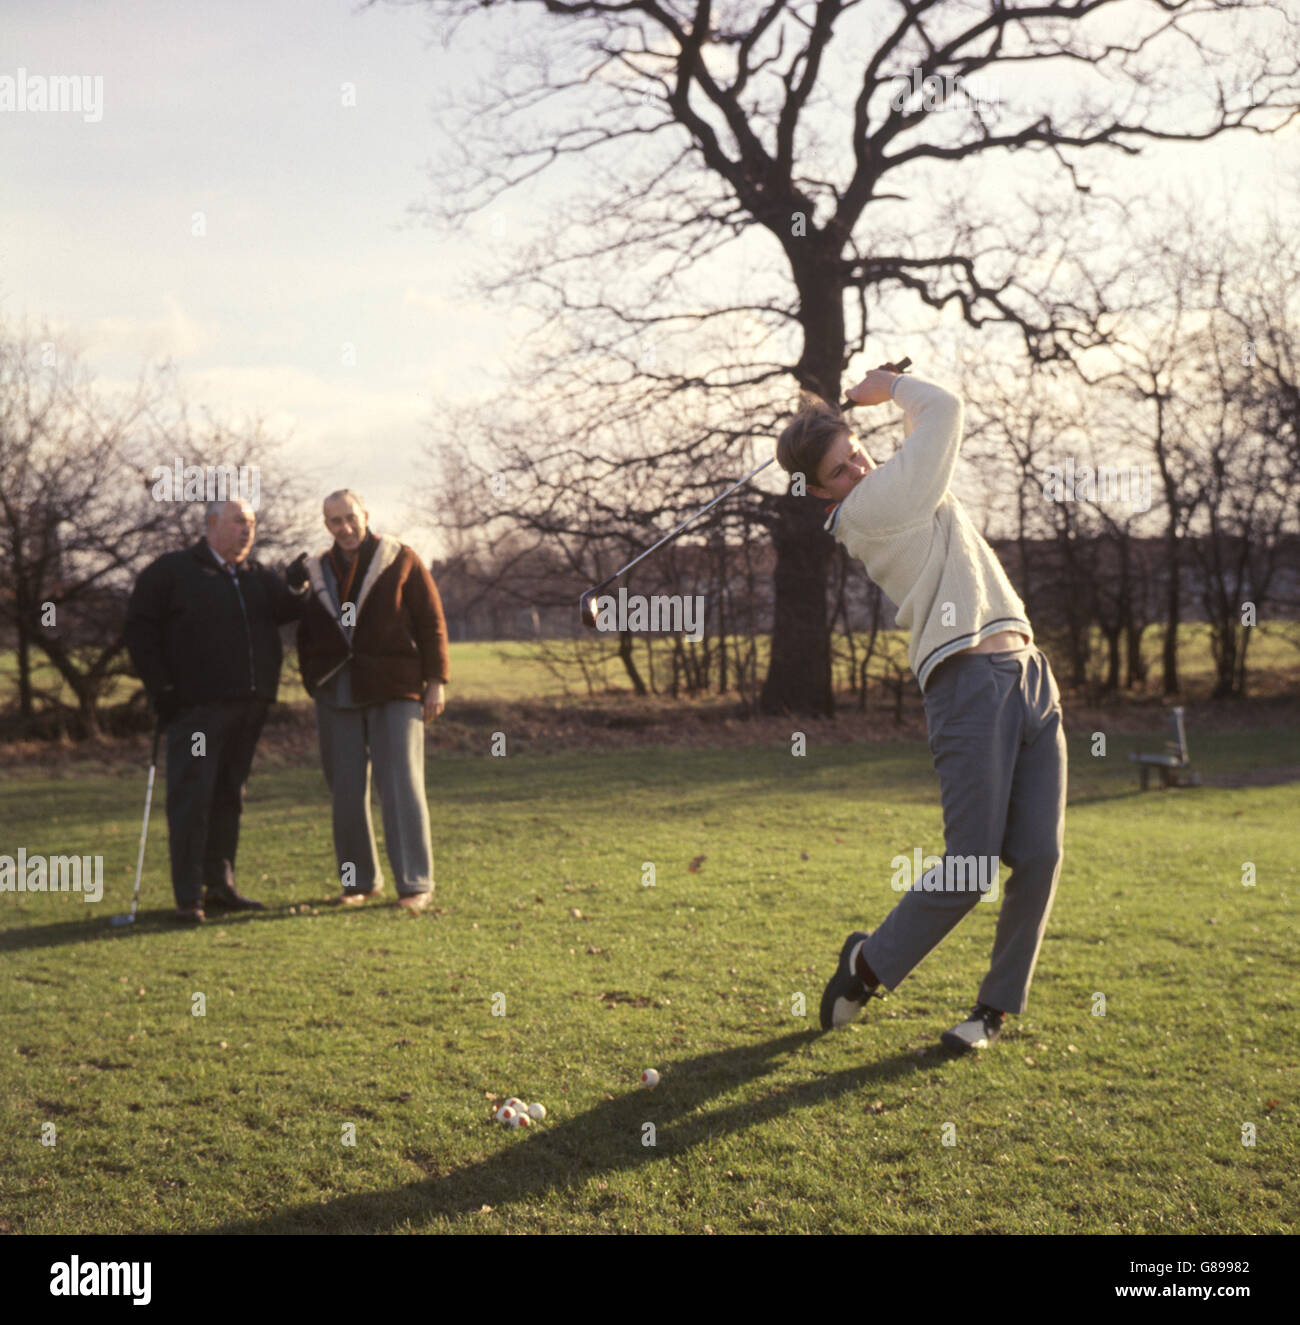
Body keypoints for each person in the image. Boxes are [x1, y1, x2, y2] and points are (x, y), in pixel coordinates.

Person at [775, 367, 1067, 1053]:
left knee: (1041, 853)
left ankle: (990, 1011)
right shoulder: (870, 508)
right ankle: (866, 965)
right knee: (971, 864)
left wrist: (880, 409)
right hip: (967, 683)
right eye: (839, 471)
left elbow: (924, 436)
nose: (857, 468)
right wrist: (891, 383)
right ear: (820, 493)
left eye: (856, 453)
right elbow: (946, 409)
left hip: (1027, 671)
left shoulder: (896, 484)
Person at [124, 498, 308, 922]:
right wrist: (162, 687)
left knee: (229, 795)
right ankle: (189, 897)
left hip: (249, 708)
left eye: (252, 524)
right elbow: (139, 629)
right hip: (199, 712)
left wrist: (297, 586)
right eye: (239, 522)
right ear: (211, 524)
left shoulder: (256, 575)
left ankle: (220, 885)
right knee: (194, 796)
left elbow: (288, 612)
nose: (248, 531)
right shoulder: (172, 571)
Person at [294, 490, 449, 914]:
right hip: (335, 690)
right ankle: (358, 881)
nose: (344, 528)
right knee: (344, 790)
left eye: (350, 518)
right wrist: (313, 678)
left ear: (365, 515)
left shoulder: (401, 558)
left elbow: (432, 620)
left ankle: (415, 883)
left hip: (395, 688)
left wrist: (436, 680)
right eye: (334, 522)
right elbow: (304, 632)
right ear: (326, 526)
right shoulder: (315, 570)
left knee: (401, 786)